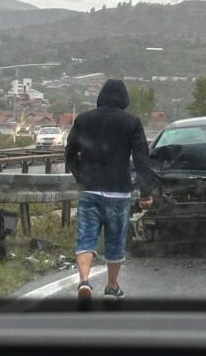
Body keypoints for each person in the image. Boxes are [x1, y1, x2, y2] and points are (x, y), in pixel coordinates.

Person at [65, 79, 153, 301]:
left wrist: (81, 176)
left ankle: (84, 281)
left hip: (90, 190)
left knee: (85, 237)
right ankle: (112, 286)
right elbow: (141, 158)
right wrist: (145, 192)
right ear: (124, 99)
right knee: (114, 240)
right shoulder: (131, 122)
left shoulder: (84, 119)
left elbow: (69, 152)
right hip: (118, 192)